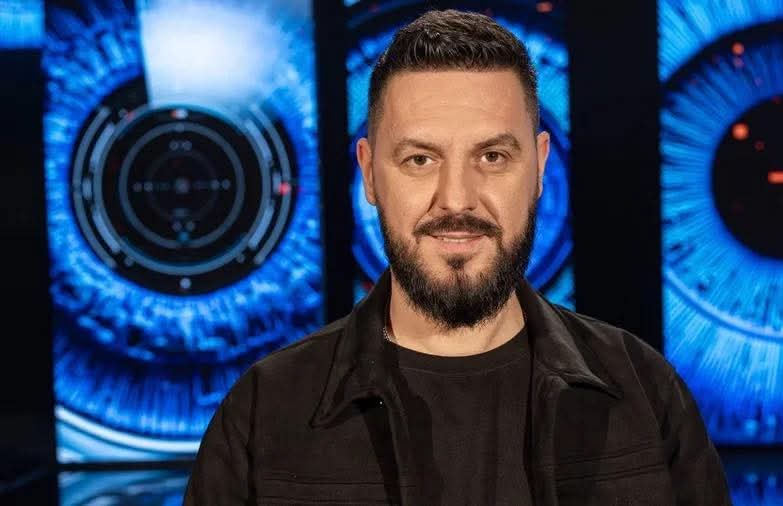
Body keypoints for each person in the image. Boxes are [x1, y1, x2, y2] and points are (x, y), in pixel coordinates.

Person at [185, 9, 731, 505]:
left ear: (540, 166)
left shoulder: (645, 392)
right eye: (420, 159)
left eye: (492, 156)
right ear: (369, 172)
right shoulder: (265, 412)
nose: (456, 200)